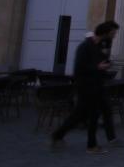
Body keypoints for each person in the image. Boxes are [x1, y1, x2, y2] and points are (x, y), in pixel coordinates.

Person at [51, 20, 119, 154]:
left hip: (98, 85)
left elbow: (103, 60)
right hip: (87, 87)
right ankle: (87, 144)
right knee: (82, 115)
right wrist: (97, 67)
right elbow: (79, 68)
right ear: (105, 33)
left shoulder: (102, 45)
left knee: (101, 111)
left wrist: (106, 63)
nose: (114, 36)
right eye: (112, 33)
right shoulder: (85, 47)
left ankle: (103, 141)